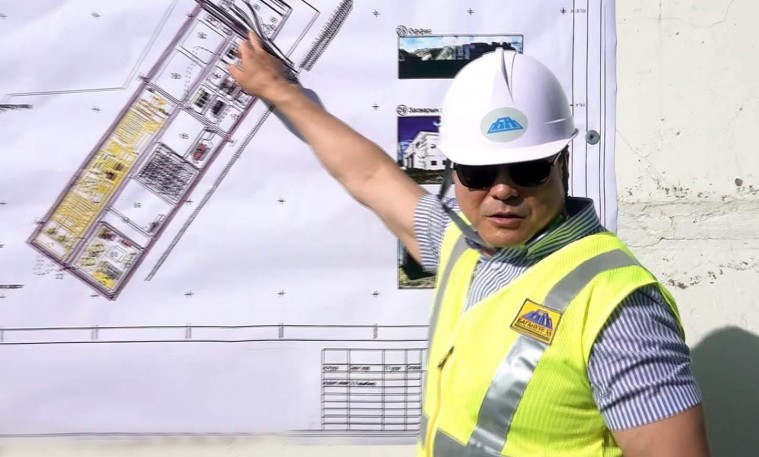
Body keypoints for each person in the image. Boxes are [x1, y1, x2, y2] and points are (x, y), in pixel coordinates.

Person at [229, 33, 710, 457]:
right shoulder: (462, 246)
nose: (502, 191)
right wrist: (280, 91)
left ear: (562, 164)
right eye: (478, 173)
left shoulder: (618, 307)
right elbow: (371, 176)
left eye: (528, 170)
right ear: (454, 173)